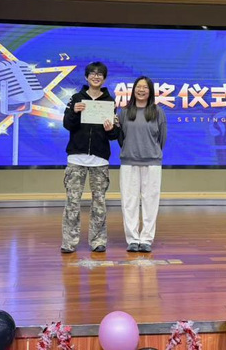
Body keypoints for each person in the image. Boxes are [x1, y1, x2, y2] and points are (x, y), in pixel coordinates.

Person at [61, 62, 119, 253]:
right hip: (76, 158)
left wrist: (111, 129)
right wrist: (74, 112)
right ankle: (69, 242)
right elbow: (67, 124)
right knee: (72, 202)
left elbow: (114, 135)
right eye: (92, 73)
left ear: (104, 78)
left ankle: (98, 240)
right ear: (86, 77)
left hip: (100, 160)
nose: (96, 76)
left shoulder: (110, 101)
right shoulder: (76, 98)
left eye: (100, 74)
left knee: (99, 202)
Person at [117, 76, 167, 253]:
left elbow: (162, 138)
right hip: (129, 162)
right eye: (138, 87)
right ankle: (132, 239)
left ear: (150, 91)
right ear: (133, 90)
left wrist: (150, 152)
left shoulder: (158, 112)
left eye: (145, 87)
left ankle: (146, 239)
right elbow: (121, 138)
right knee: (129, 202)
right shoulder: (124, 112)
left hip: (152, 163)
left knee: (150, 201)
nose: (141, 90)